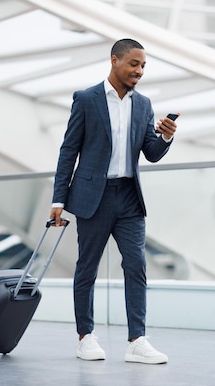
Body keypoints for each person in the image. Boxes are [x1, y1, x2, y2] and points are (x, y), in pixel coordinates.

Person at [50, 38, 178, 364]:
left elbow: (151, 153)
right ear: (115, 61)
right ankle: (86, 336)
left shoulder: (144, 104)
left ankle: (137, 340)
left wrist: (165, 136)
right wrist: (58, 200)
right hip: (94, 196)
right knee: (87, 268)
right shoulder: (86, 99)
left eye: (143, 66)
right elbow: (69, 151)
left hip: (130, 198)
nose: (139, 71)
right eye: (134, 64)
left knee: (136, 266)